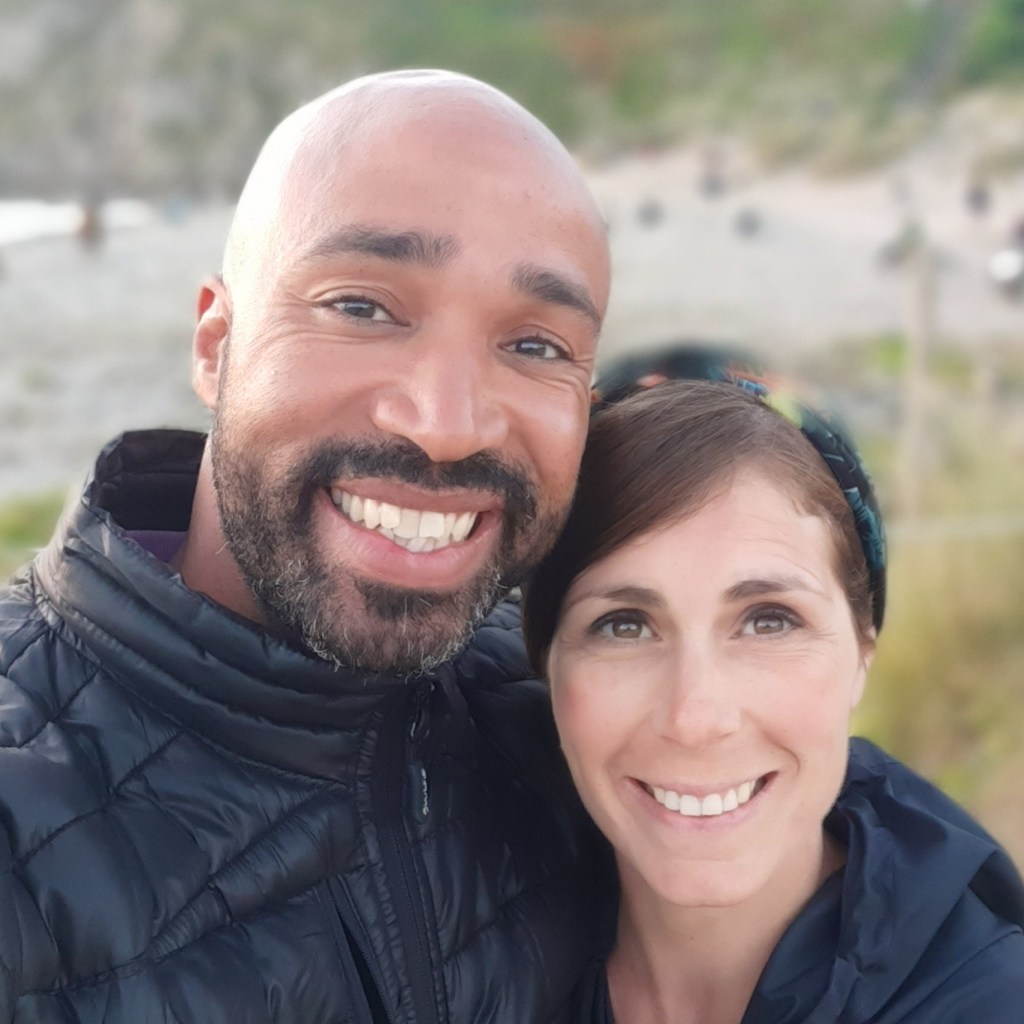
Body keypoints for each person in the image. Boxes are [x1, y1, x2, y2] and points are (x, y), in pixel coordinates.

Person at [0, 69, 612, 1022]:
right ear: (216, 346)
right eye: (361, 307)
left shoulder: (580, 722)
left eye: (535, 347)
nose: (447, 425)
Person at [523, 377, 1024, 1023]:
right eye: (624, 625)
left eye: (769, 620)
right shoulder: (468, 973)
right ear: (545, 665)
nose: (695, 718)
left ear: (862, 651)